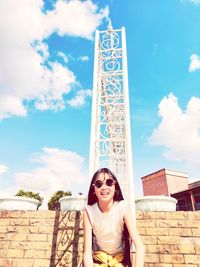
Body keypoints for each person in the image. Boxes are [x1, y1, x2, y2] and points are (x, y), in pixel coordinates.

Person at [83, 168, 145, 267]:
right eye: (99, 184)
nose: (104, 187)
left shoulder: (123, 207)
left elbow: (139, 246)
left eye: (109, 182)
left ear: (115, 186)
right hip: (99, 258)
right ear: (94, 189)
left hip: (120, 259)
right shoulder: (89, 211)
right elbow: (87, 253)